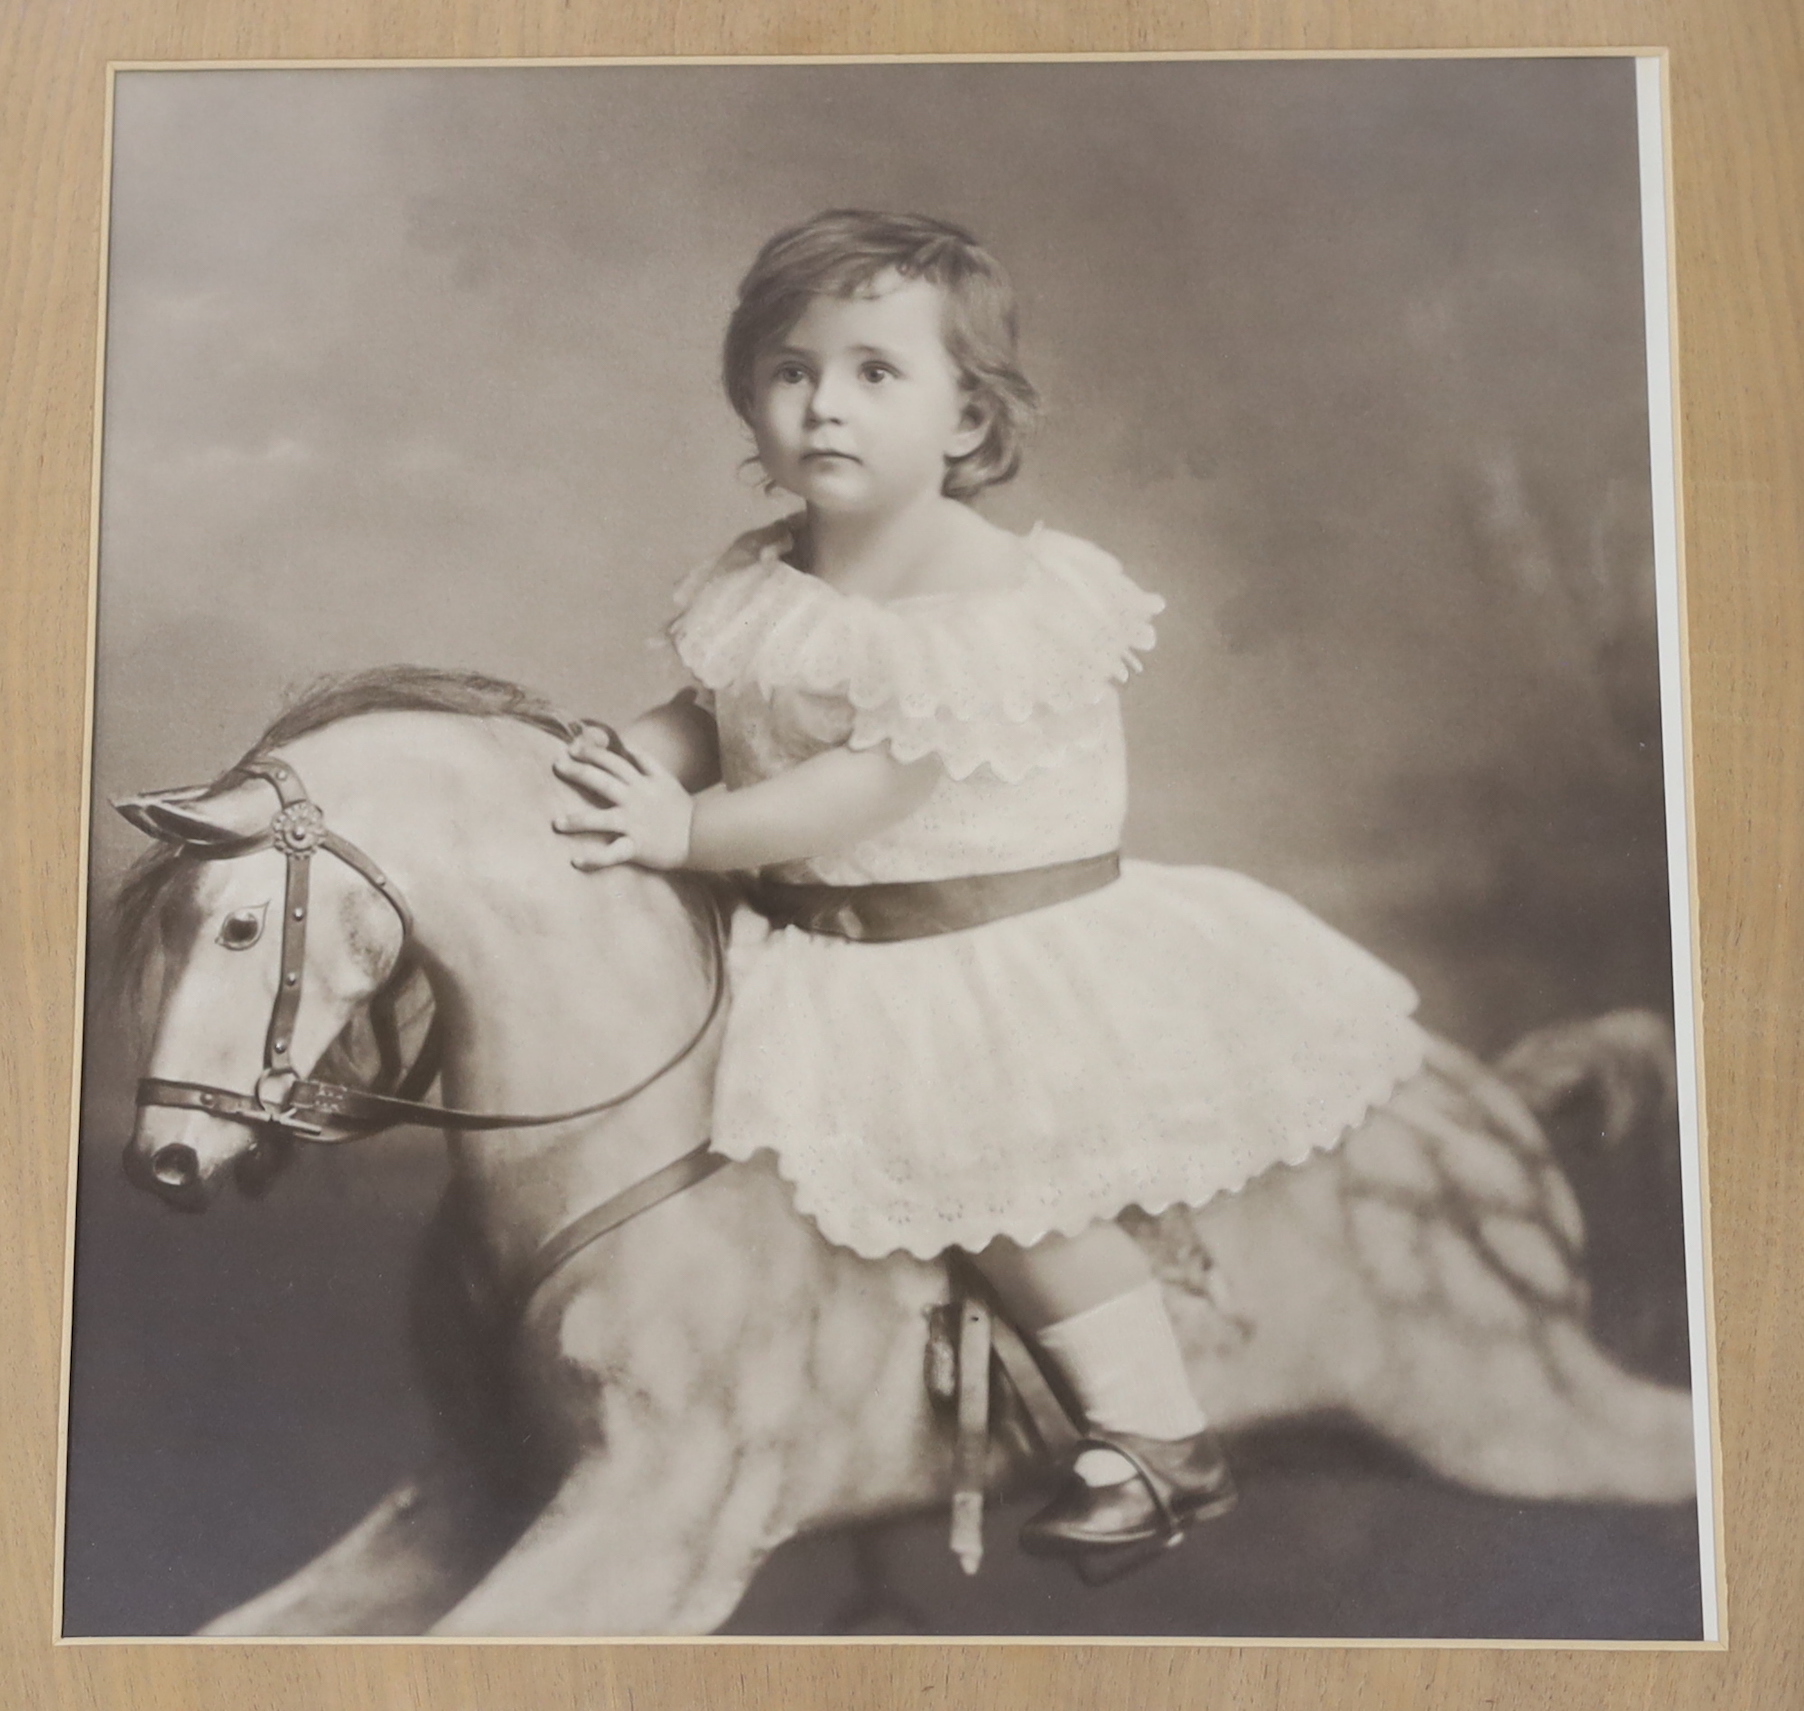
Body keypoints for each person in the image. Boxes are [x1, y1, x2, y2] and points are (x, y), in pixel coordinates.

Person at [552, 210, 1426, 1563]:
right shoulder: (772, 569)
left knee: (1010, 1186)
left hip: (974, 949)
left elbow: (856, 790)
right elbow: (715, 698)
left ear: (968, 422)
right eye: (791, 371)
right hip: (815, 932)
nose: (823, 404)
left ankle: (1158, 1441)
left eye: (872, 373)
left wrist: (677, 830)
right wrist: (621, 758)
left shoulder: (988, 594)